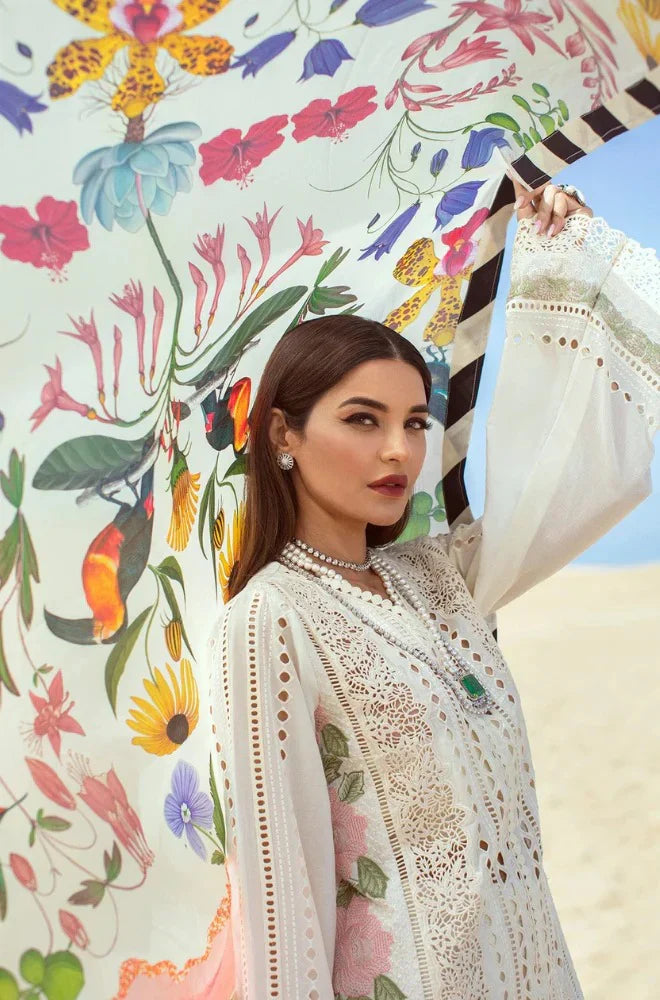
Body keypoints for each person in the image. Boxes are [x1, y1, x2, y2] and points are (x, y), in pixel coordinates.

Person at [206, 180, 659, 1000]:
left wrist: (570, 260)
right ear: (283, 433)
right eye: (362, 419)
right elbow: (282, 910)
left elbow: (578, 478)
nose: (398, 452)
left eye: (415, 422)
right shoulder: (269, 618)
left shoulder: (444, 577)